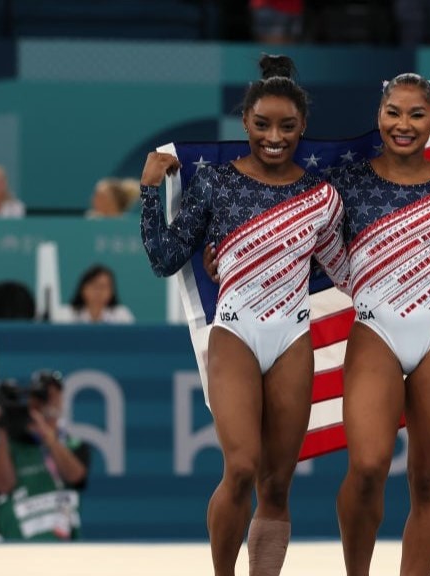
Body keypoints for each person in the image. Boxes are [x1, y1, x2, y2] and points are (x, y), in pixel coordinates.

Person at [139, 54, 348, 576]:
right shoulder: (214, 183)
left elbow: (344, 271)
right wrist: (148, 192)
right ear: (245, 123)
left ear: (303, 125)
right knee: (241, 467)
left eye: (287, 126)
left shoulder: (322, 195)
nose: (274, 137)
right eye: (262, 125)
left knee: (276, 485)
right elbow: (165, 258)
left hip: (292, 338)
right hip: (234, 331)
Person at [331, 72, 430, 576]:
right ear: (378, 116)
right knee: (368, 466)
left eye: (417, 114)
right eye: (393, 112)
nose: (403, 124)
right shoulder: (347, 184)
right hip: (376, 328)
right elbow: (311, 244)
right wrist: (224, 257)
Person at [0, 371, 90, 541]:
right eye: (42, 396)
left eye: (54, 395)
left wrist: (48, 437)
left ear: (62, 399)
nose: (49, 402)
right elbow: (2, 485)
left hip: (63, 547)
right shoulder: (8, 444)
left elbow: (76, 476)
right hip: (16, 546)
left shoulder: (73, 444)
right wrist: (2, 433)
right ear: (30, 401)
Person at [56, 264, 135, 324]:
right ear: (83, 289)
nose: (98, 292)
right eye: (94, 286)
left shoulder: (121, 315)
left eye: (103, 287)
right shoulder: (66, 314)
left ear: (111, 291)